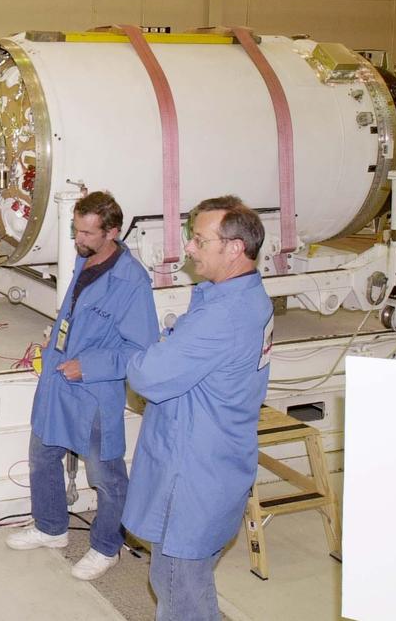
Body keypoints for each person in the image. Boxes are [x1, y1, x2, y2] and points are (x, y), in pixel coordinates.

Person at [122, 196, 273, 621]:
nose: (188, 247)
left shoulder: (223, 316)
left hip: (193, 473)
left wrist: (158, 346)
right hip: (219, 460)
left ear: (233, 248)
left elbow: (148, 375)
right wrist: (173, 342)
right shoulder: (241, 297)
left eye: (199, 240)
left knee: (179, 588)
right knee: (188, 583)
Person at [7, 190, 158, 581]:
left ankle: (107, 547)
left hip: (93, 389)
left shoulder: (132, 282)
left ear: (113, 232)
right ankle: (51, 526)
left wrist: (88, 365)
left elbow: (142, 351)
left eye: (89, 234)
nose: (79, 240)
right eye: (77, 230)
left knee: (106, 476)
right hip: (59, 377)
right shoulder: (83, 258)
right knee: (42, 454)